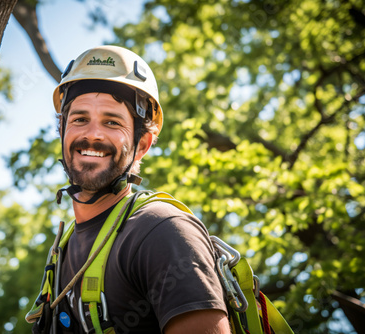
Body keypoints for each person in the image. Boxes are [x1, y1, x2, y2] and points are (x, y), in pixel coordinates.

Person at [29, 45, 230, 334]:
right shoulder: (62, 252)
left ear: (142, 145)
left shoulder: (162, 231)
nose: (92, 134)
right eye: (79, 119)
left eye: (112, 122)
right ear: (62, 132)